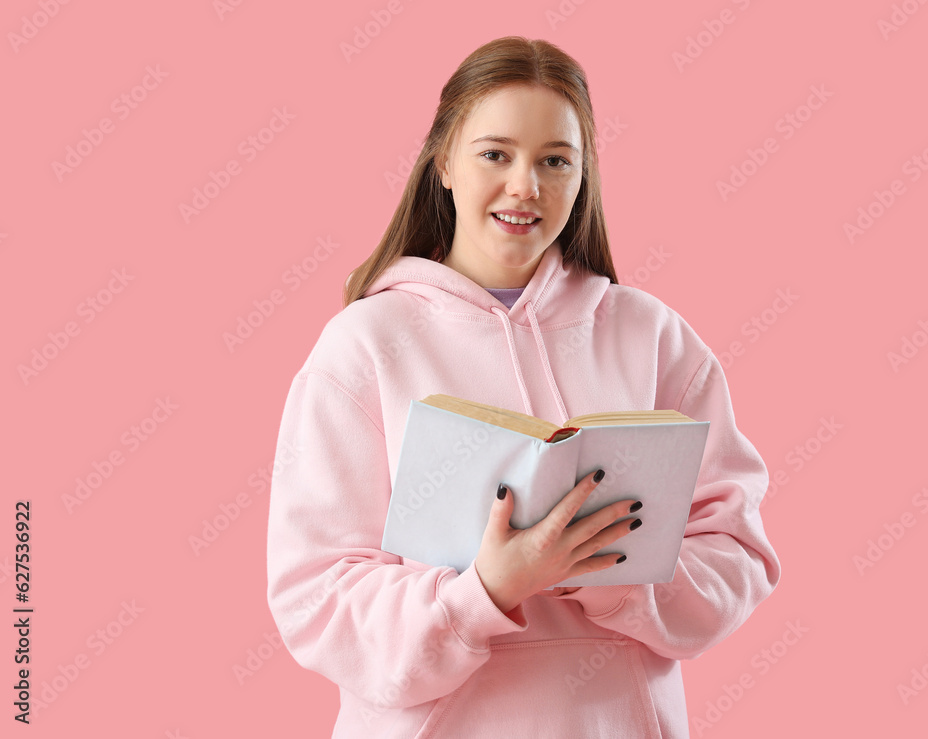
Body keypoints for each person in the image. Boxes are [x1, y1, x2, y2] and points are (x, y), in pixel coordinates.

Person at [266, 36, 780, 738]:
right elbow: (315, 596)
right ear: (443, 160)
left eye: (554, 161)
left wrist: (617, 577)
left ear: (583, 175)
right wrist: (484, 593)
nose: (524, 187)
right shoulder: (364, 346)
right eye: (494, 154)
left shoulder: (653, 337)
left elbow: (738, 550)